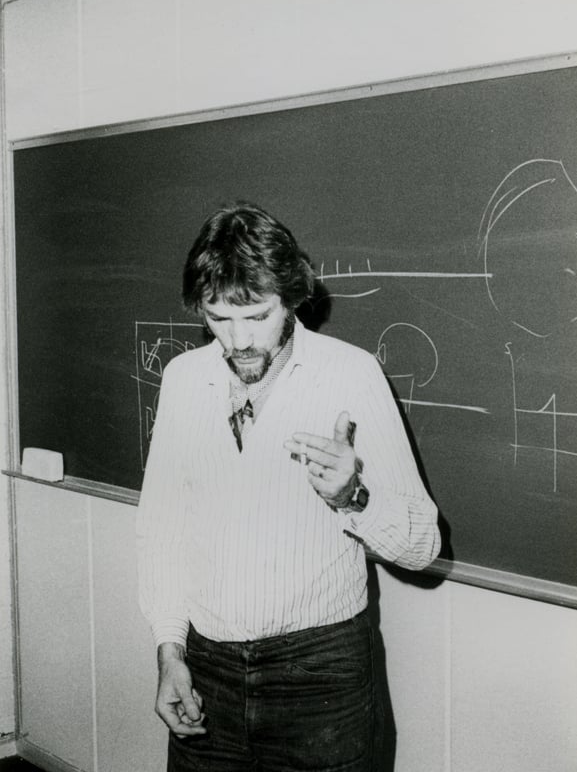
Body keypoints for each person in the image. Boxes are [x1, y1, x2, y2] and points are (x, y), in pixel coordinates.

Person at [136, 202, 441, 772]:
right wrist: (169, 651)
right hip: (207, 669)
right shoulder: (182, 380)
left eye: (257, 316)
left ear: (291, 297)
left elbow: (423, 545)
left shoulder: (351, 374)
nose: (238, 341)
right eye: (218, 318)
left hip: (320, 676)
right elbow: (161, 533)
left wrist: (354, 496)